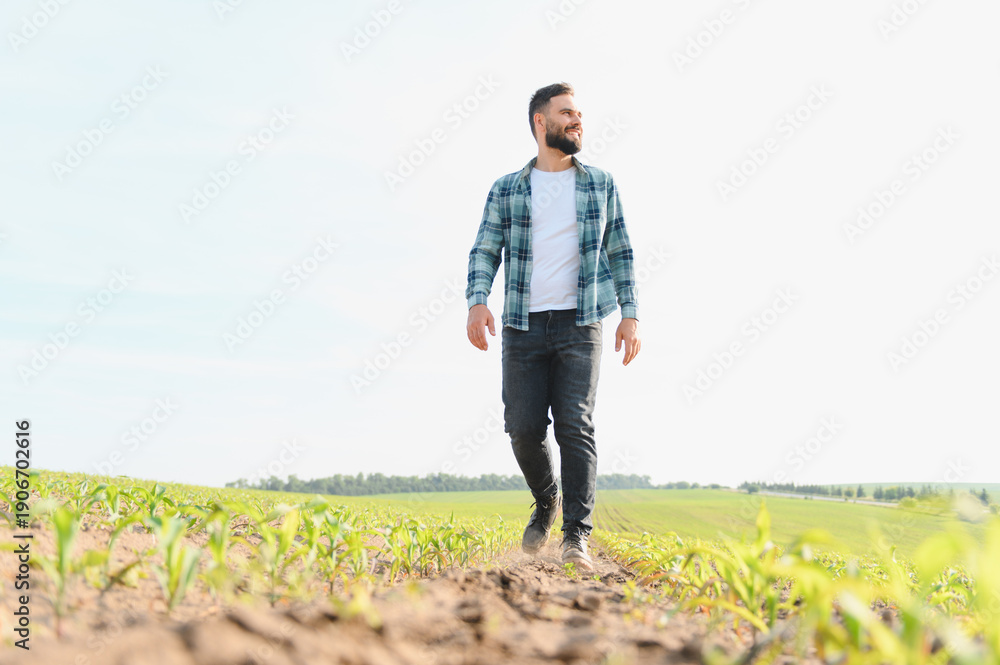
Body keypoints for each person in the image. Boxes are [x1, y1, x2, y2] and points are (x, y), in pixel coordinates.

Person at [464, 82, 640, 570]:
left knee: (574, 425)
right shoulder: (508, 188)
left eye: (579, 112)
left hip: (582, 323)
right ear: (541, 123)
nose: (577, 120)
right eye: (567, 113)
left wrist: (631, 313)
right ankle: (547, 500)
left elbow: (620, 250)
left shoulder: (601, 184)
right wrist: (477, 300)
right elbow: (484, 249)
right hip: (522, 324)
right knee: (521, 427)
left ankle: (575, 537)